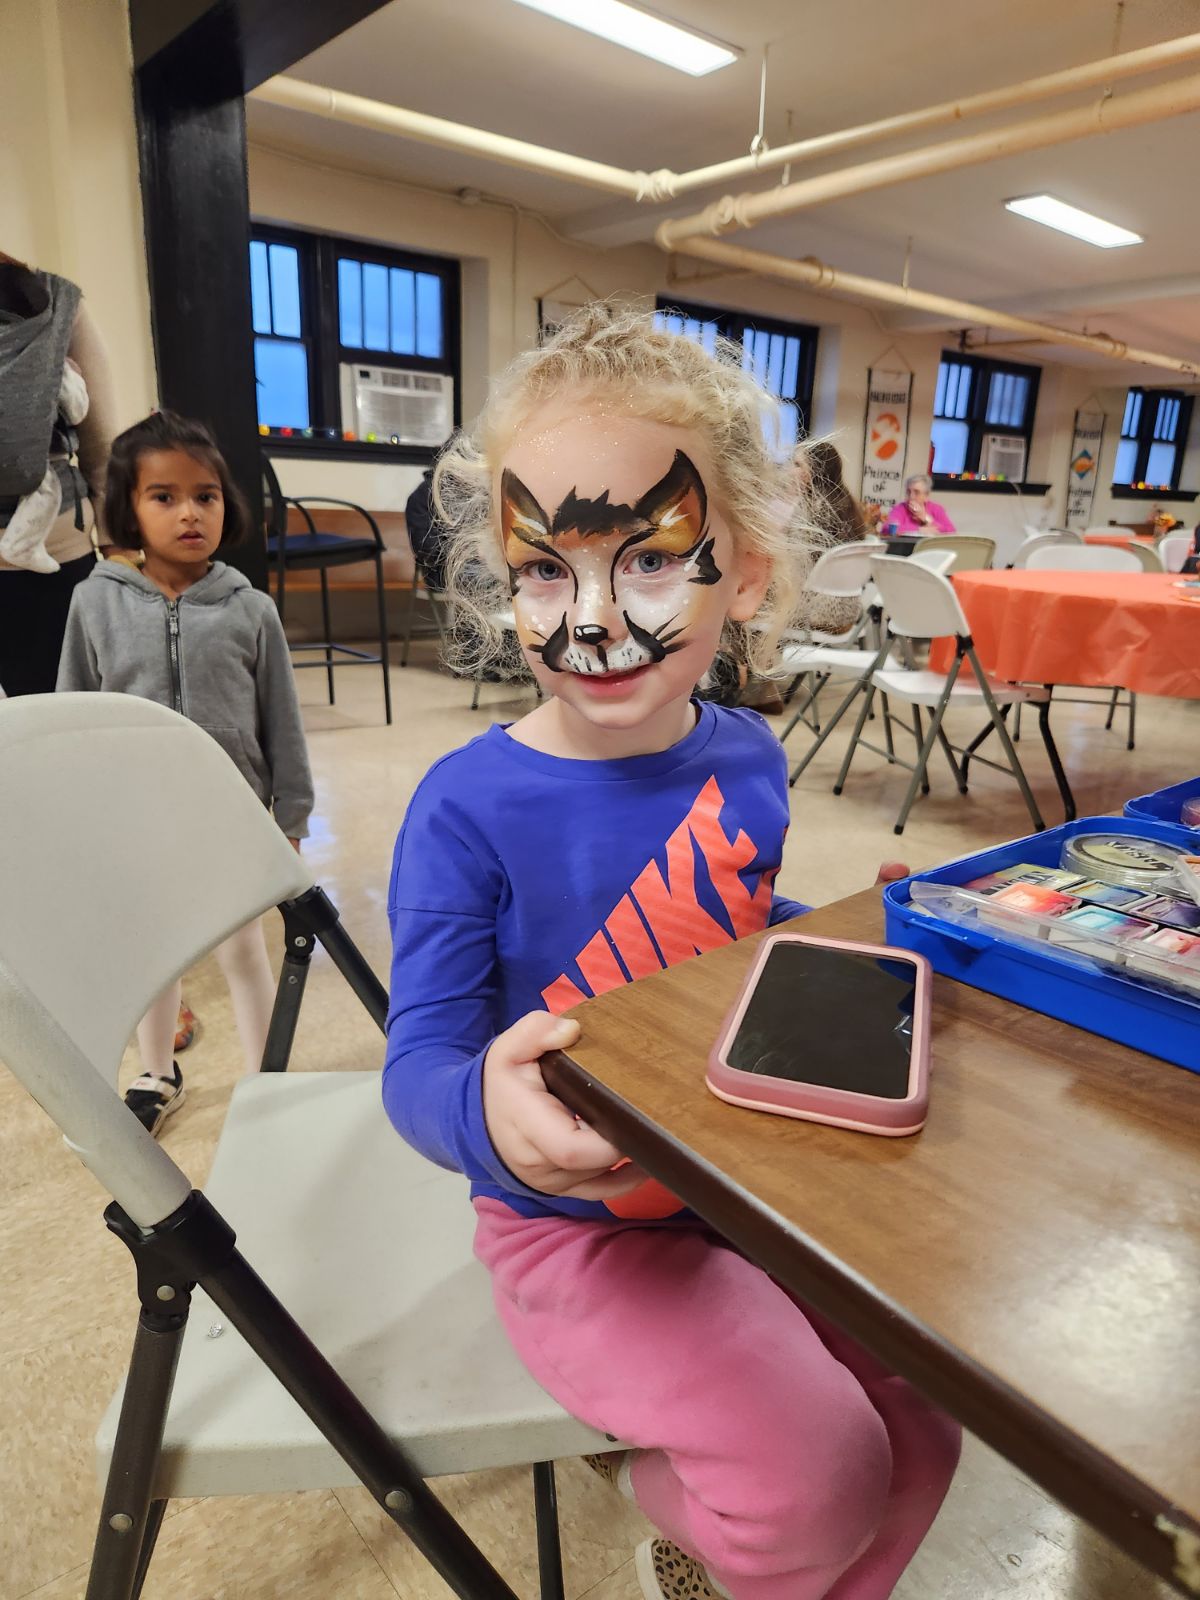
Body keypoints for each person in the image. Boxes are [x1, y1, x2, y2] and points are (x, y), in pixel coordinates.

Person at [384, 309, 959, 1600]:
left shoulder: (745, 758)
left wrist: (846, 931)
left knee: (924, 1423)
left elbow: (733, 916)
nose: (590, 621)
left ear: (744, 573)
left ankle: (748, 1554)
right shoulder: (465, 808)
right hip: (575, 1236)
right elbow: (418, 1059)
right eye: (545, 572)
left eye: (648, 562)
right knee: (814, 1476)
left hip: (745, 1185)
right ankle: (676, 1506)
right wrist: (486, 1110)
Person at [57, 411, 313, 1133]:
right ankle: (156, 1073)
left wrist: (291, 818)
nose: (189, 513)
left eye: (205, 495)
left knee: (243, 949)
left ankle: (267, 1077)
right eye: (163, 497)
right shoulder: (94, 602)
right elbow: (74, 712)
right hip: (135, 820)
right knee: (154, 953)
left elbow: (283, 722)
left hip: (230, 816)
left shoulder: (251, 610)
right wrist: (79, 816)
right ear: (128, 508)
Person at [0, 252, 118, 695]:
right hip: (58, 545)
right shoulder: (59, 301)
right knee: (65, 713)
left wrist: (120, 552)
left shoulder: (63, 301)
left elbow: (102, 452)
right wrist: (117, 546)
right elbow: (102, 450)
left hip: (58, 558)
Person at [793, 440, 871, 639]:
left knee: (740, 600)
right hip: (847, 613)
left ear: (815, 471)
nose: (790, 471)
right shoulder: (847, 505)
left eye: (797, 465)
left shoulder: (813, 511)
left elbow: (795, 566)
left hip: (814, 612)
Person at [883, 473, 955, 535]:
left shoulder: (936, 509)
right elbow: (888, 528)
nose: (911, 496)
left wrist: (925, 518)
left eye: (916, 492)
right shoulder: (900, 508)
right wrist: (919, 530)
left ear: (926, 496)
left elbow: (951, 531)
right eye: (908, 492)